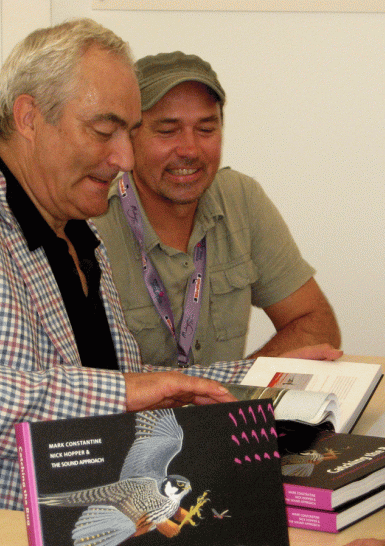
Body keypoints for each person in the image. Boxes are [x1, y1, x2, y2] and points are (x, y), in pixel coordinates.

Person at [0, 20, 262, 511]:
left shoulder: (79, 234)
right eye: (104, 131)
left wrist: (269, 377)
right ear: (29, 118)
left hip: (85, 530)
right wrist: (122, 393)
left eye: (129, 133)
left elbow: (117, 381)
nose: (125, 158)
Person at [95, 51, 341, 368]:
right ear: (129, 138)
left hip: (226, 401)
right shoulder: (90, 223)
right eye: (167, 131)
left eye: (206, 129)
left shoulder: (241, 198)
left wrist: (237, 385)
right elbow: (75, 378)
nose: (190, 149)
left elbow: (316, 323)